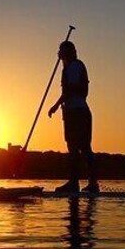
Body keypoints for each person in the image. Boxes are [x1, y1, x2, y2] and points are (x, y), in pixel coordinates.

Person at [48, 40, 99, 193]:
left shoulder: (75, 66)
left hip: (78, 112)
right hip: (72, 112)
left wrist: (56, 105)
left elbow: (71, 89)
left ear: (69, 52)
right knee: (74, 148)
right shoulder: (68, 67)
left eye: (61, 50)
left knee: (82, 147)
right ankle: (75, 182)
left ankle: (90, 183)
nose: (58, 53)